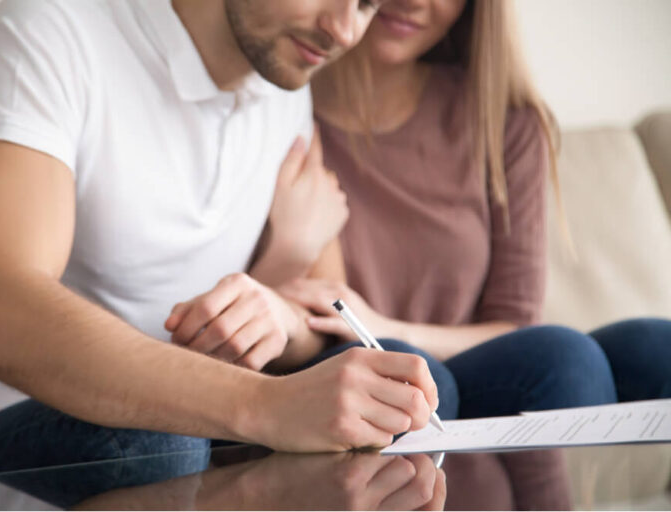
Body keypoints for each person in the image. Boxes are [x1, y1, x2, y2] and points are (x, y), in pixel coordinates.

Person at [0, 0, 443, 483]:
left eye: (368, 4)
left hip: (189, 427)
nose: (345, 30)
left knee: (406, 381)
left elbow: (326, 313)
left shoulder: (283, 83)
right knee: (161, 440)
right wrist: (264, 404)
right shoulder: (48, 33)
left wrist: (278, 310)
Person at [243, 0, 669, 508]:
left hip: (471, 368)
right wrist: (292, 250)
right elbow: (314, 311)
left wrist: (382, 322)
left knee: (637, 349)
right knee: (418, 376)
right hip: (354, 374)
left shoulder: (505, 122)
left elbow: (516, 325)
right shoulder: (283, 110)